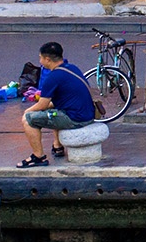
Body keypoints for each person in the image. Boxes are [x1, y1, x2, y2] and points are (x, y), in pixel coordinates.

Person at [19, 40, 98, 168]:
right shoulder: (72, 68)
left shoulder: (53, 77)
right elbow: (56, 102)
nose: (40, 61)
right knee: (55, 110)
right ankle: (58, 146)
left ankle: (38, 156)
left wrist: (27, 111)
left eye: (40, 58)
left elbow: (42, 105)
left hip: (76, 119)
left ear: (47, 59)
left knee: (28, 120)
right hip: (87, 114)